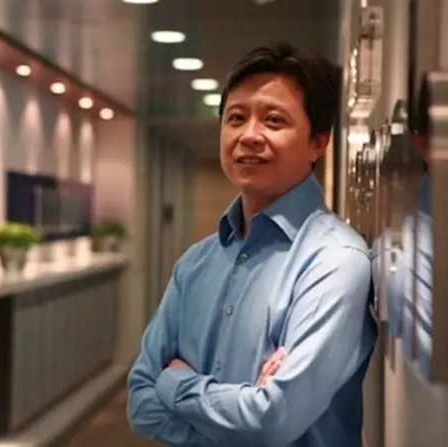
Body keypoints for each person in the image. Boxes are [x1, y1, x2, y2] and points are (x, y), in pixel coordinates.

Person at [126, 42, 378, 447]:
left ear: (318, 141)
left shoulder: (335, 262)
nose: (249, 136)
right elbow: (140, 403)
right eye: (236, 118)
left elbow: (270, 422)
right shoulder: (196, 263)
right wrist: (239, 414)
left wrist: (174, 381)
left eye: (274, 120)